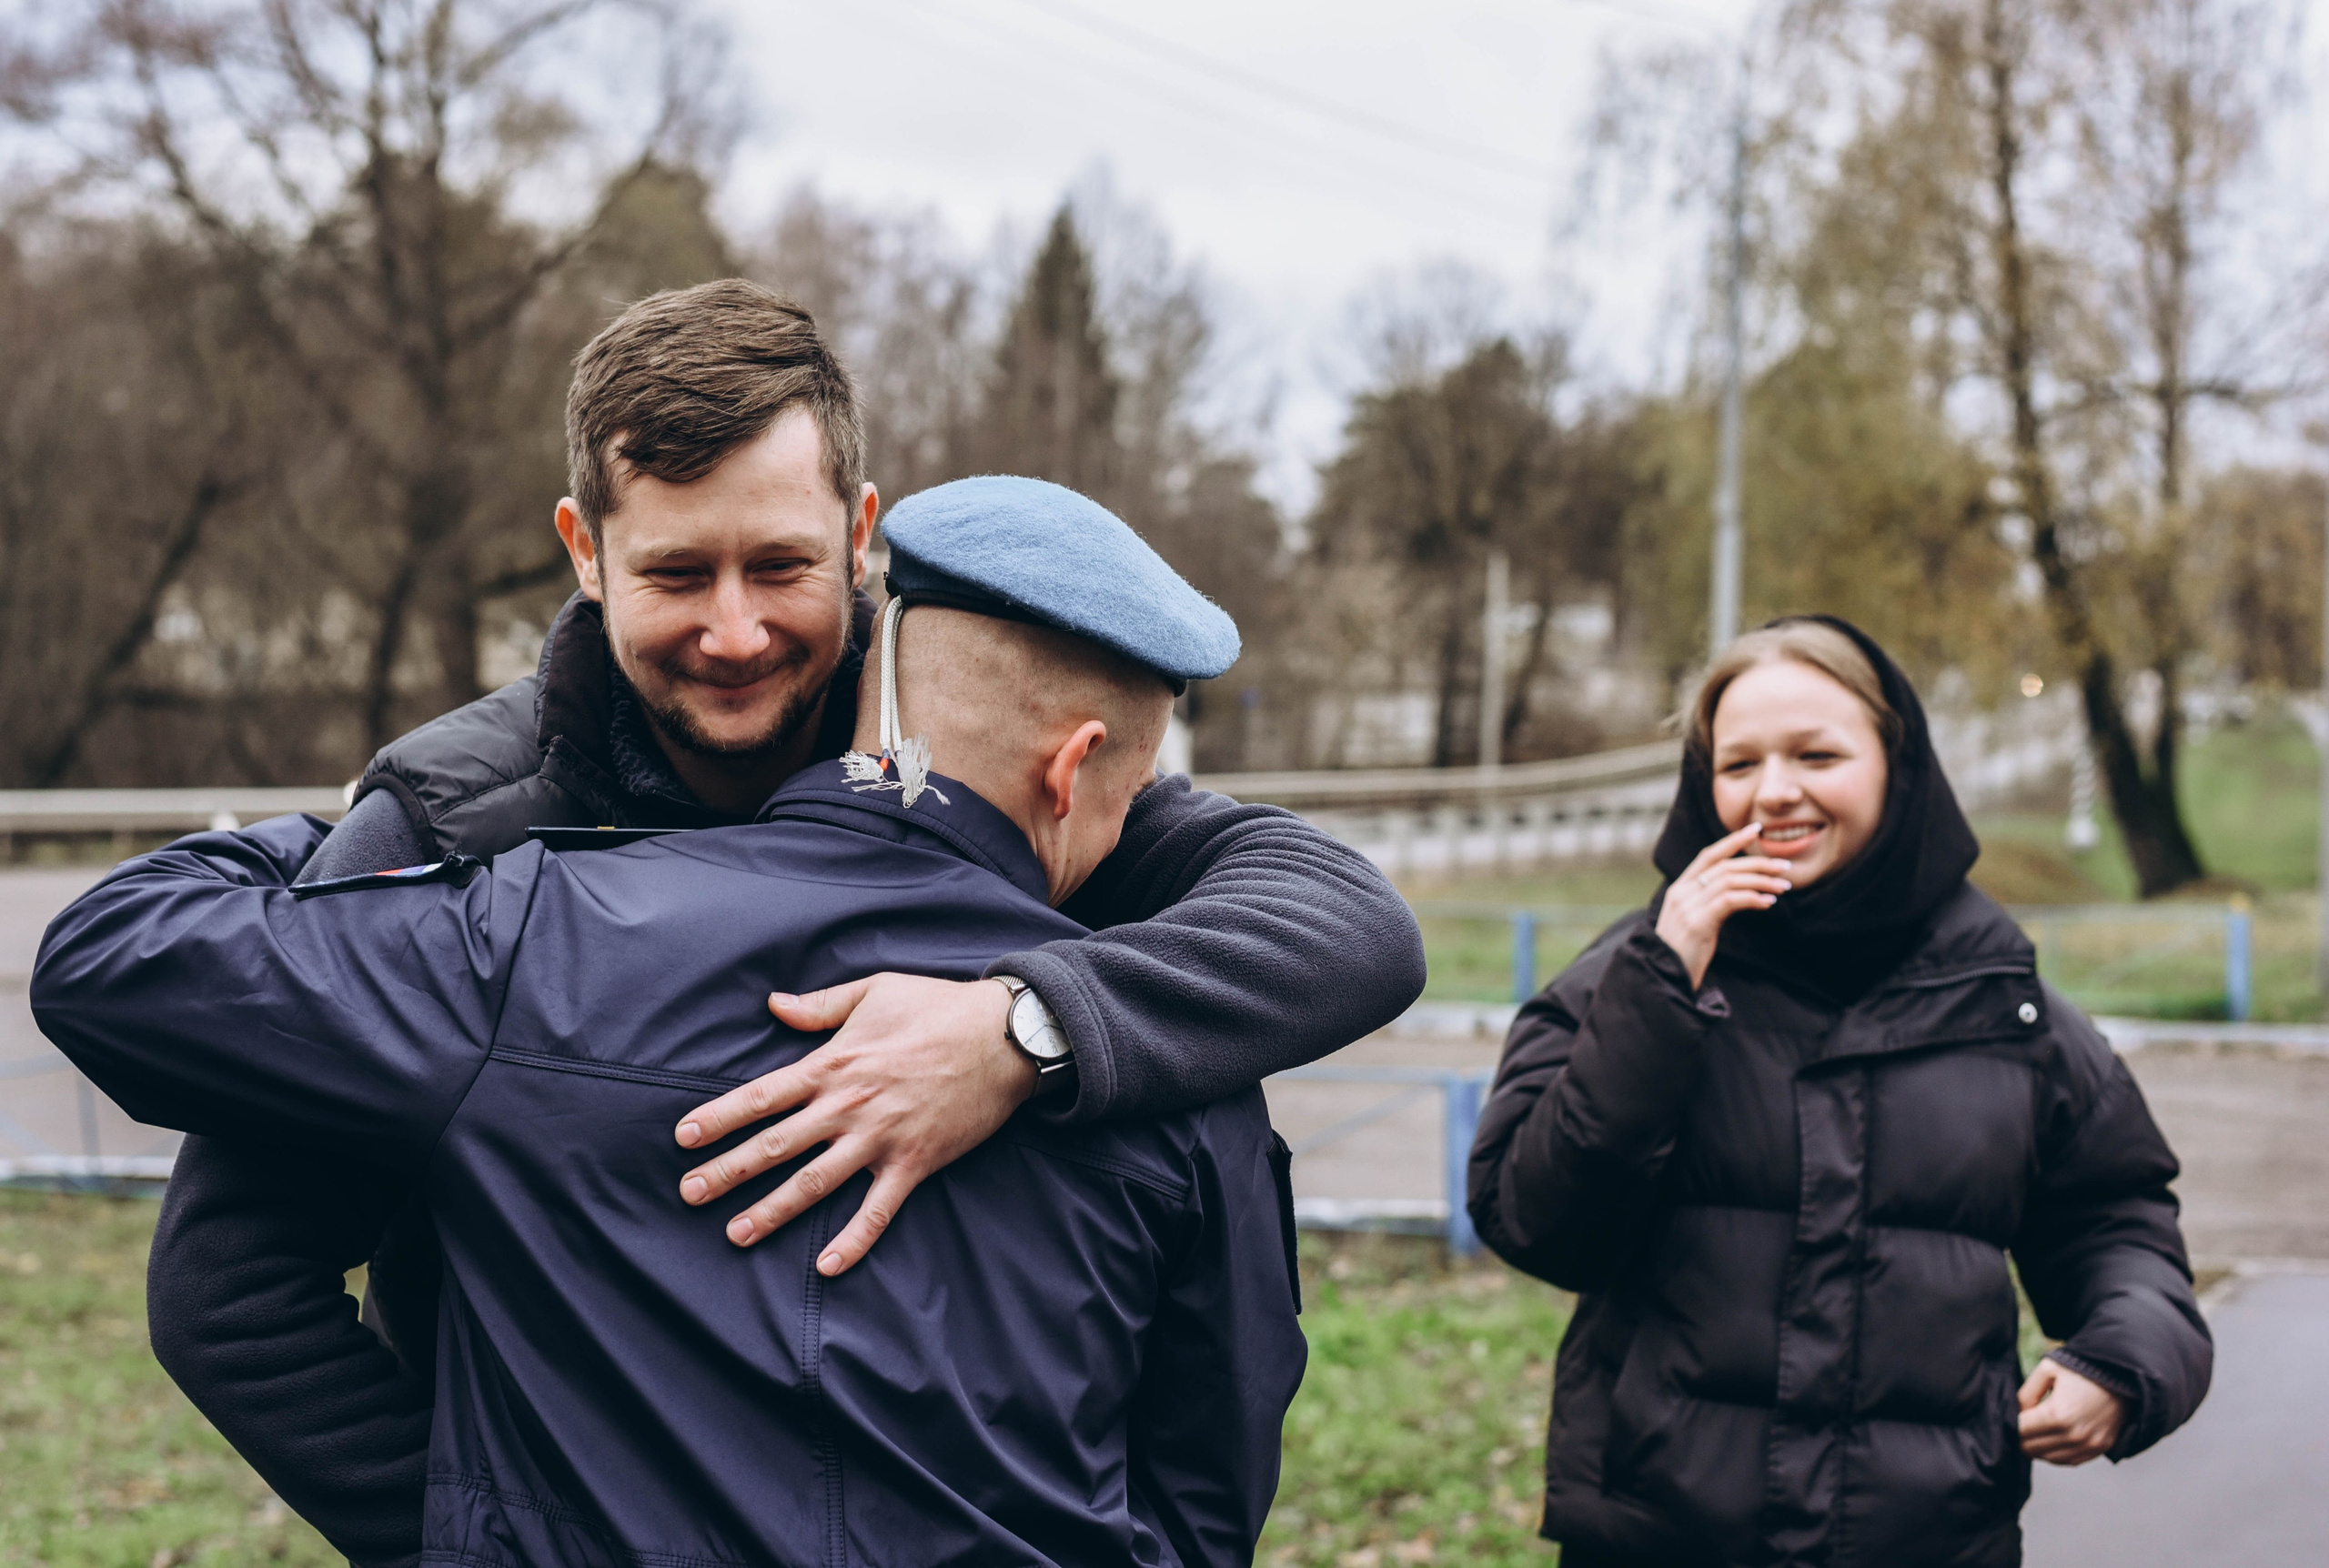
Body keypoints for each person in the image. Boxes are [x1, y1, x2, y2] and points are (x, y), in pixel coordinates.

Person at [142, 280, 1424, 1566]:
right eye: (677, 573)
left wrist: (1017, 1029)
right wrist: (498, 1523)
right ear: (584, 551)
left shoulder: (988, 744)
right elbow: (231, 1289)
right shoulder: (454, 833)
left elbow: (1346, 921)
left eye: (782, 566)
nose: (737, 630)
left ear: (859, 534)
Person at [1467, 616, 2213, 1568]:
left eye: (1816, 753)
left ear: (1897, 764)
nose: (1774, 791)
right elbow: (1531, 1222)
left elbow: (2120, 1223)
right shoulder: (1629, 976)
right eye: (1738, 764)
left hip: (1930, 1540)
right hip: (1660, 1538)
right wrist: (1657, 992)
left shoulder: (2003, 1005)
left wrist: (2122, 1359)